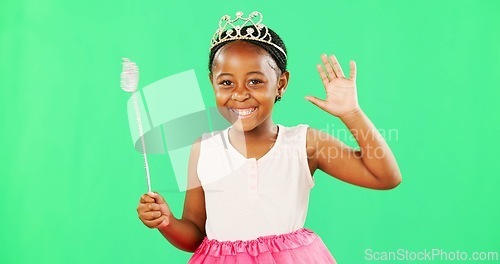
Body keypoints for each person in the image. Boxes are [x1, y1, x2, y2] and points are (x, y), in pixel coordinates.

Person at [136, 11, 402, 263]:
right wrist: (167, 221)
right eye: (226, 82)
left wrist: (351, 113)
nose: (239, 94)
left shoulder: (305, 144)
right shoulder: (204, 148)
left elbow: (385, 176)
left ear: (281, 84)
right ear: (212, 83)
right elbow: (195, 235)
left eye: (255, 81)